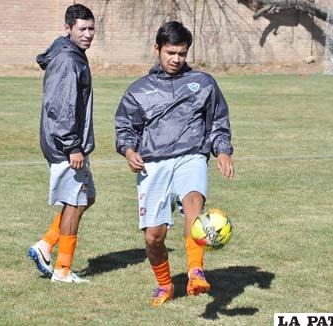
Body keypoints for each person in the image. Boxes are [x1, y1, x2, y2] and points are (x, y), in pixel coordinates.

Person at [115, 21, 235, 306]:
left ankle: (195, 272)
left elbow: (218, 121)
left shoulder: (203, 83)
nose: (176, 59)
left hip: (191, 155)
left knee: (194, 204)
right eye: (170, 52)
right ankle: (165, 285)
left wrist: (222, 151)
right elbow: (125, 127)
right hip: (152, 164)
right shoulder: (139, 90)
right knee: (154, 238)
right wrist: (129, 150)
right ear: (156, 49)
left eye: (182, 53)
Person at [27, 4, 96, 283]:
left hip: (69, 142)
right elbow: (60, 106)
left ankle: (44, 245)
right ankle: (63, 270)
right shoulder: (68, 60)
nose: (88, 34)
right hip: (66, 145)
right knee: (74, 202)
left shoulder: (72, 54)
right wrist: (72, 146)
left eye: (92, 28)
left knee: (86, 197)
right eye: (82, 29)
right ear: (68, 29)